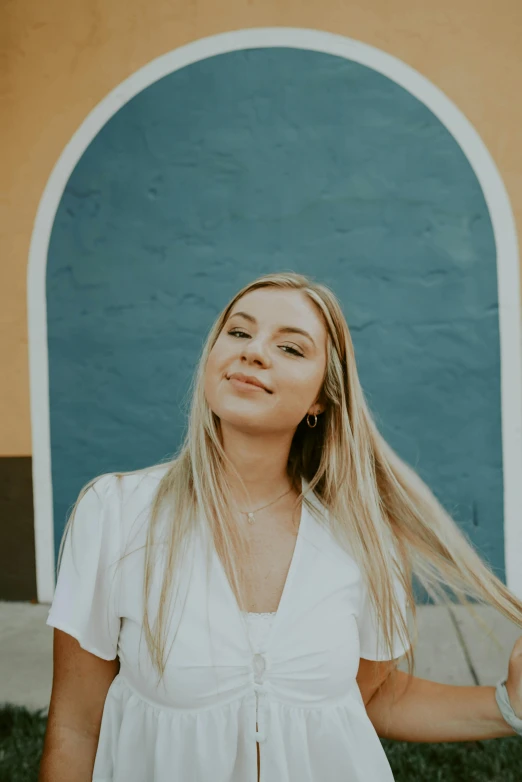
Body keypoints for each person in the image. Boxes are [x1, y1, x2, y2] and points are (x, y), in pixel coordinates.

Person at [39, 272, 522, 782]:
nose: (254, 352)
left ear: (320, 400)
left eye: (290, 348)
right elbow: (76, 726)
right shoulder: (115, 513)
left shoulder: (364, 536)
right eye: (240, 333)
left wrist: (509, 704)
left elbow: (369, 697)